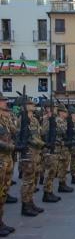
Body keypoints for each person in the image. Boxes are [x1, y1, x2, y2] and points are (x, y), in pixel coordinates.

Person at [20, 99, 45, 216]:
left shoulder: (35, 119)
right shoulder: (22, 120)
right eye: (30, 104)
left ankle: (30, 202)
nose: (33, 105)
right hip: (28, 154)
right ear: (25, 106)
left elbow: (38, 134)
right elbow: (19, 135)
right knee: (27, 180)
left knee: (33, 179)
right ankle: (25, 205)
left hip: (36, 153)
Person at [0, 93, 16, 236]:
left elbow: (13, 132)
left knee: (4, 190)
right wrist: (10, 147)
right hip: (1, 159)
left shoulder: (4, 120)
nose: (5, 103)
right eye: (3, 101)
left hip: (7, 159)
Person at [56, 104, 74, 193]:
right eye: (65, 112)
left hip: (64, 146)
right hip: (60, 146)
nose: (67, 113)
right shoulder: (58, 121)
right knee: (62, 166)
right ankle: (61, 184)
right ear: (61, 112)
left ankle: (63, 184)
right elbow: (63, 132)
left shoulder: (64, 121)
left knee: (64, 166)